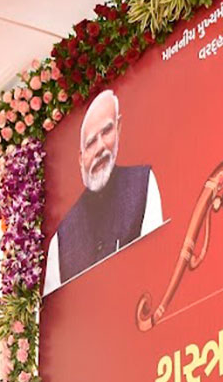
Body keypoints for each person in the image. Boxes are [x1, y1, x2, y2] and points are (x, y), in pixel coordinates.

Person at [43, 89, 164, 292]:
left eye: (106, 132)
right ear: (81, 158)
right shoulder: (61, 240)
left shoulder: (143, 184)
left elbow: (157, 266)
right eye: (91, 142)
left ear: (119, 128)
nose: (100, 148)